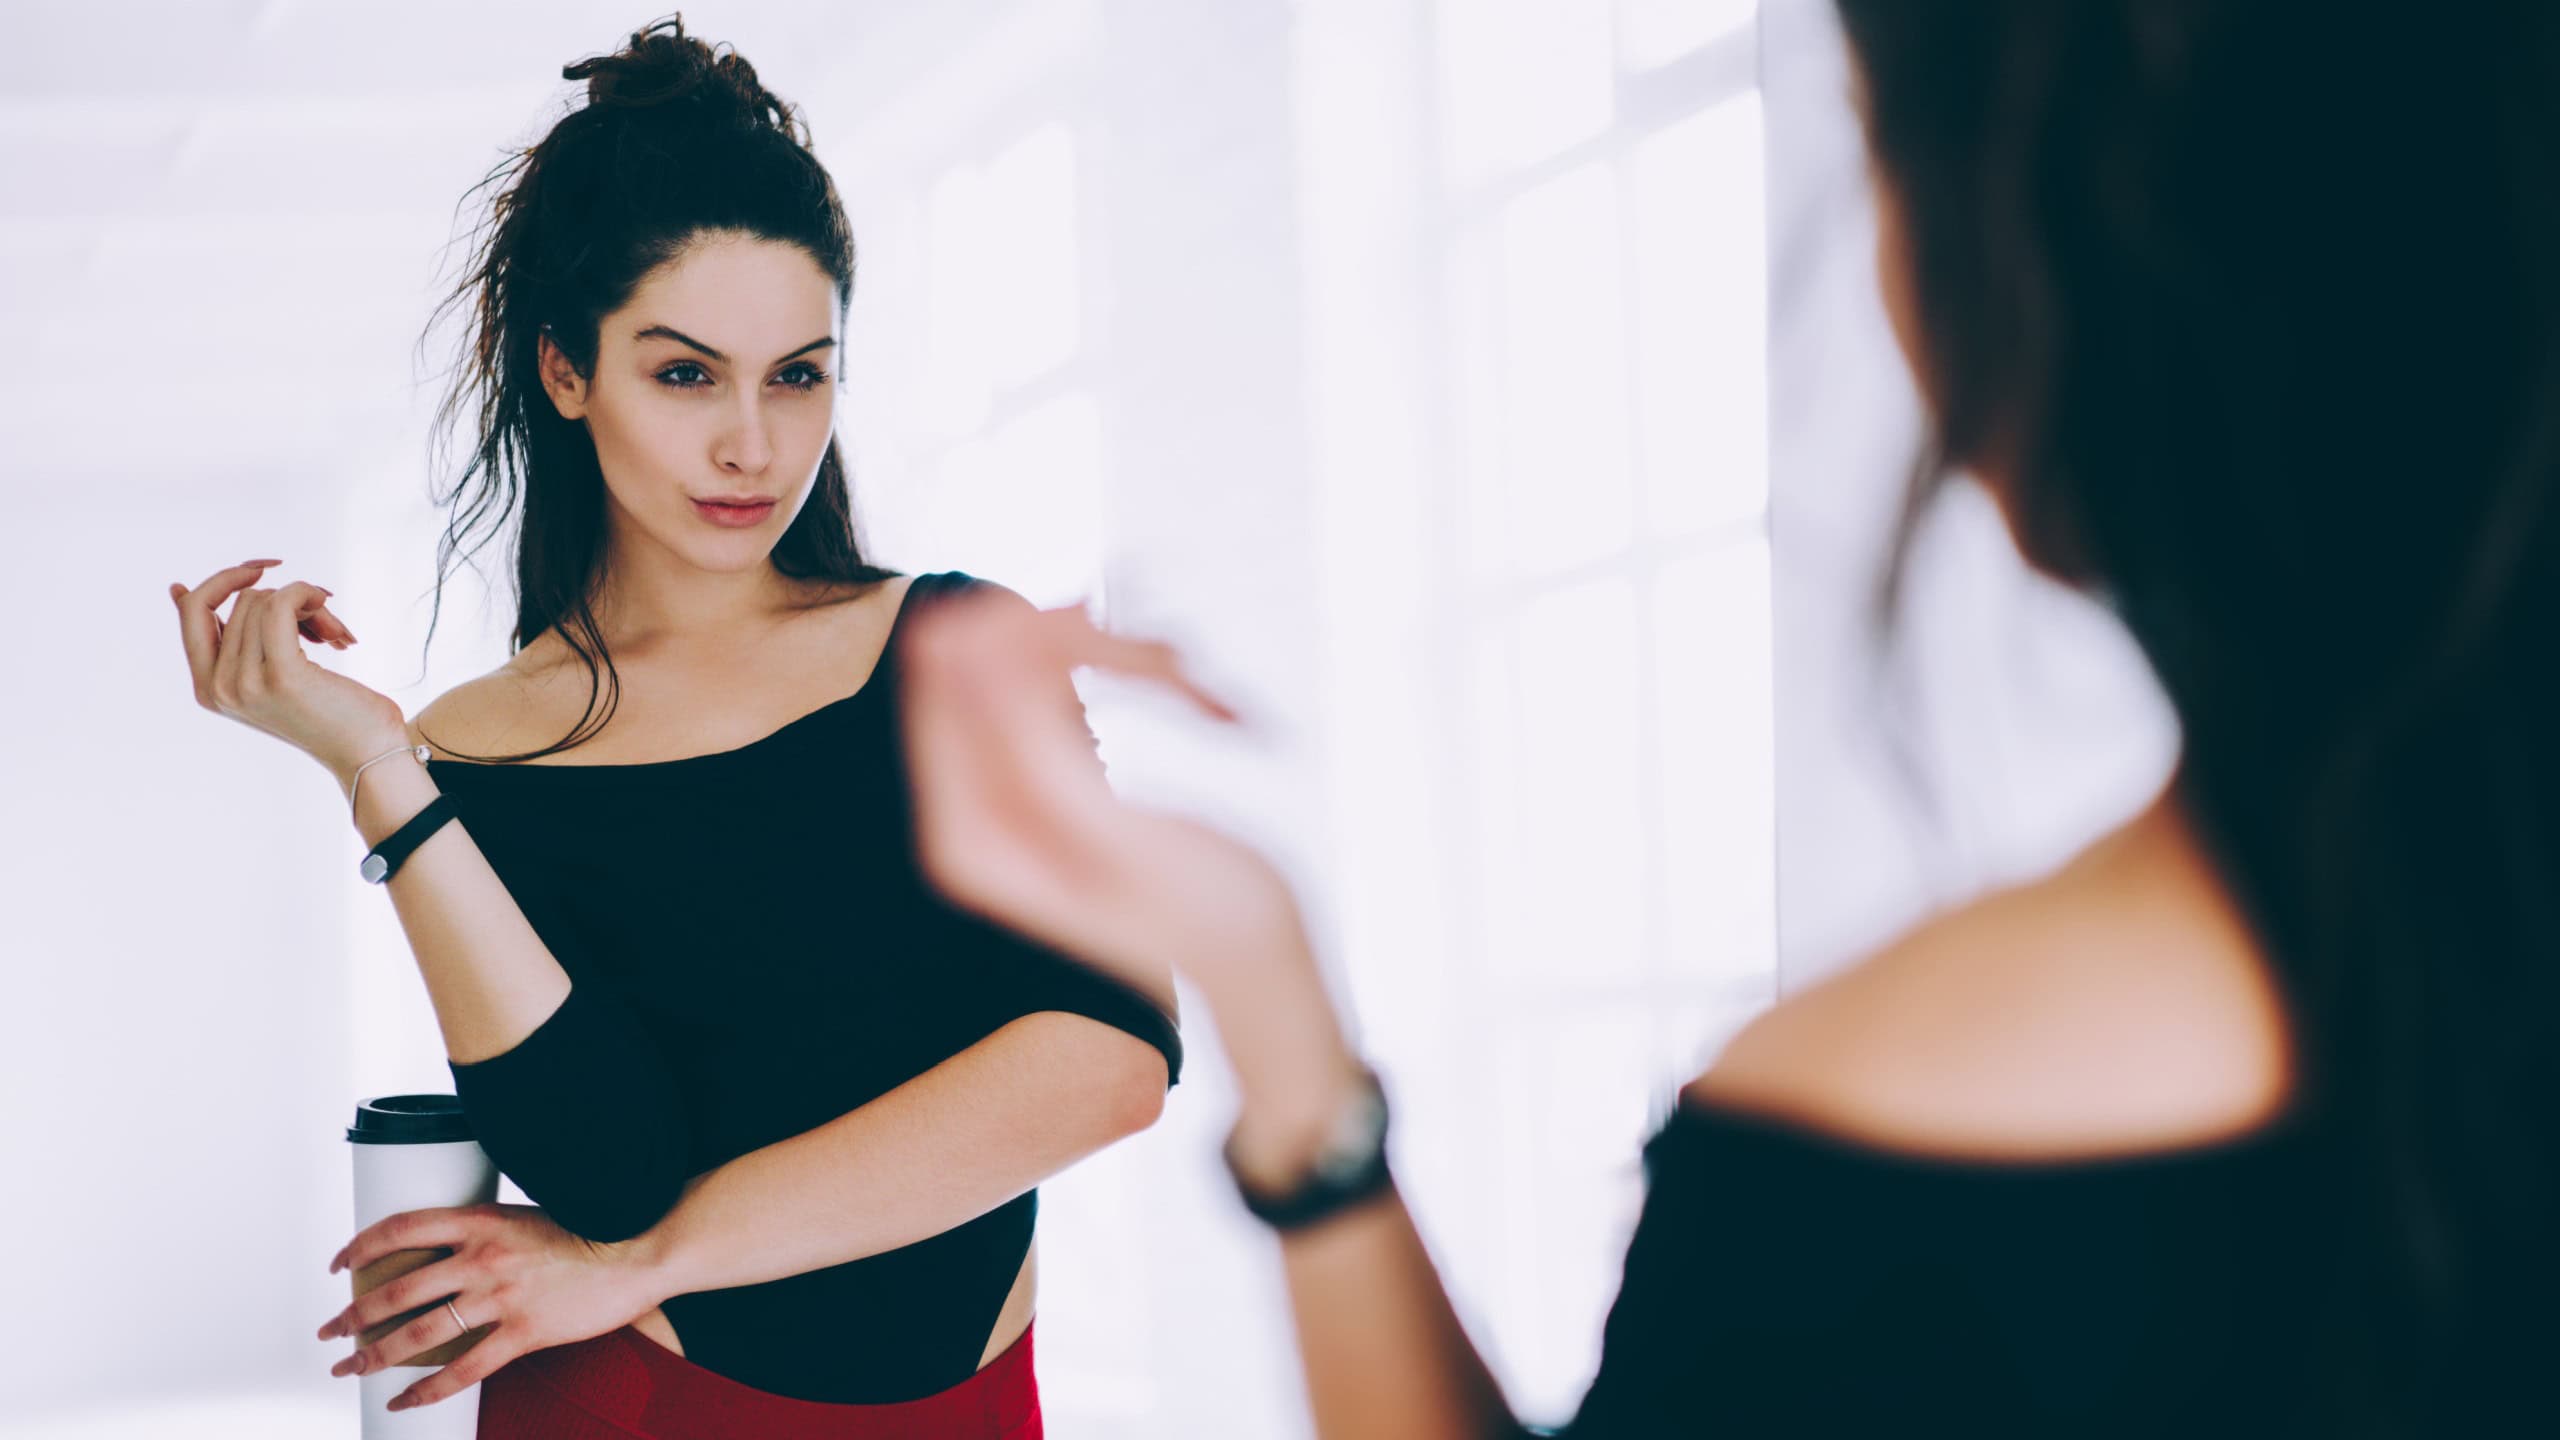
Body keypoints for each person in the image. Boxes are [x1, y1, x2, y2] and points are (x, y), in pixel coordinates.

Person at [891, 2, 2559, 1434]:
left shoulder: (1883, 1145)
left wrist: (1279, 1031)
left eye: (1869, 142)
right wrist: (1272, 995)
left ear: (2044, 260)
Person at [166, 18, 1177, 1438]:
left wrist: (640, 1265)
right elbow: (606, 1164)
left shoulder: (964, 653)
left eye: (799, 374)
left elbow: (1111, 1058)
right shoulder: (477, 754)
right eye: (686, 373)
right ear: (567, 373)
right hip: (638, 1402)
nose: (753, 445)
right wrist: (382, 773)